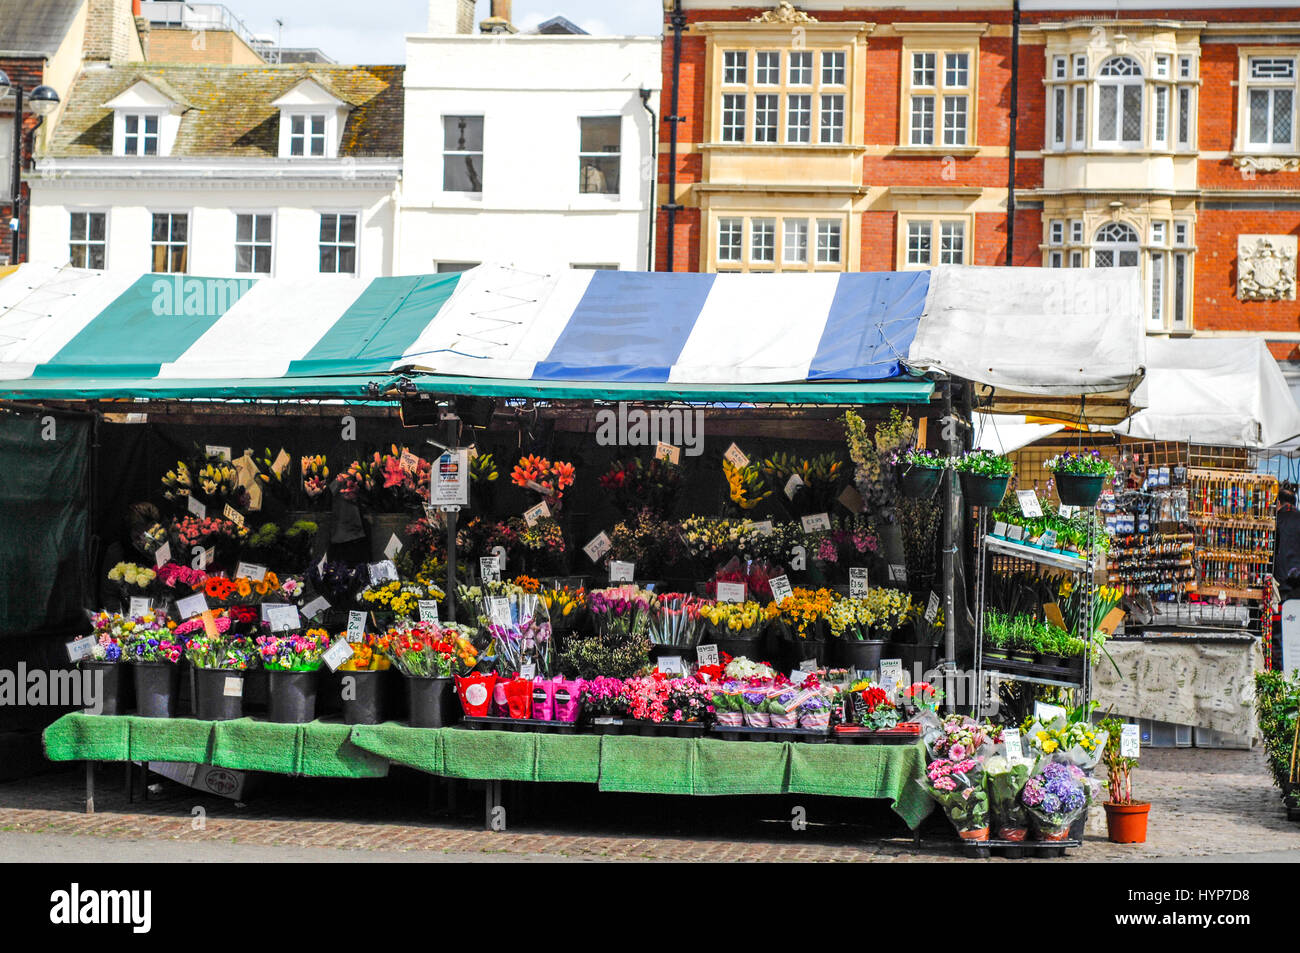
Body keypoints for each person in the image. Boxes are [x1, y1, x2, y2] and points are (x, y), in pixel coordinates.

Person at [1273, 484, 1300, 670]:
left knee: (1280, 629)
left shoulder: (1276, 521)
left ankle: (1280, 668)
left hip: (1281, 583)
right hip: (1298, 584)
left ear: (1279, 503)